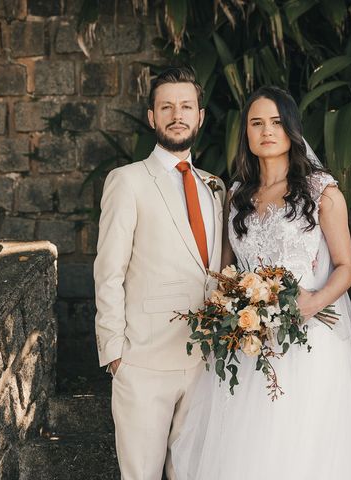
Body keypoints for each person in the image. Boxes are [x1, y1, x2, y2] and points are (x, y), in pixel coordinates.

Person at [171, 86, 351, 479]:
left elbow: (347, 268)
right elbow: (225, 274)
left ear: (291, 129)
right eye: (256, 123)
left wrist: (312, 303)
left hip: (309, 343)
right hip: (249, 344)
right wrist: (233, 310)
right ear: (245, 133)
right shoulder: (236, 196)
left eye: (276, 122)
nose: (267, 131)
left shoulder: (321, 193)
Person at [94, 66, 226, 480]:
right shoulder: (127, 181)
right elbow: (108, 270)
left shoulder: (214, 186)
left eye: (186, 106)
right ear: (152, 117)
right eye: (166, 106)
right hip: (143, 360)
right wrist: (115, 353)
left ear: (200, 116)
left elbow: (216, 272)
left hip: (206, 360)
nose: (177, 114)